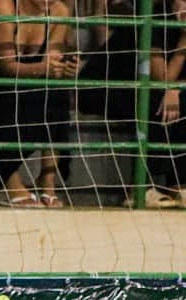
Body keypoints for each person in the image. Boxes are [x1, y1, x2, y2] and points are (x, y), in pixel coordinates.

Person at [0, 0, 80, 207]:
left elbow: (51, 61)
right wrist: (45, 68)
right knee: (8, 95)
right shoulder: (3, 6)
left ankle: (47, 181)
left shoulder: (59, 10)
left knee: (58, 93)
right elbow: (6, 66)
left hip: (27, 78)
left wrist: (63, 68)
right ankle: (10, 182)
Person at [79, 0, 186, 207]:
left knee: (181, 100)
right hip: (101, 87)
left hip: (144, 87)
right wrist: (184, 44)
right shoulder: (154, 19)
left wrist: (175, 88)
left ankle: (178, 185)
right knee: (153, 101)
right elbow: (160, 79)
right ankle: (140, 188)